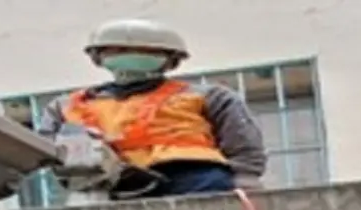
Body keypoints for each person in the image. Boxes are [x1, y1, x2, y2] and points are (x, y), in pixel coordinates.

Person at [38, 18, 266, 199]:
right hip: (109, 185)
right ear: (98, 56)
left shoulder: (208, 96)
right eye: (116, 50)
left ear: (171, 59)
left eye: (146, 50)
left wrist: (245, 177)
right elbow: (46, 151)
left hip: (192, 177)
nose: (128, 55)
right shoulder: (66, 106)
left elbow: (242, 140)